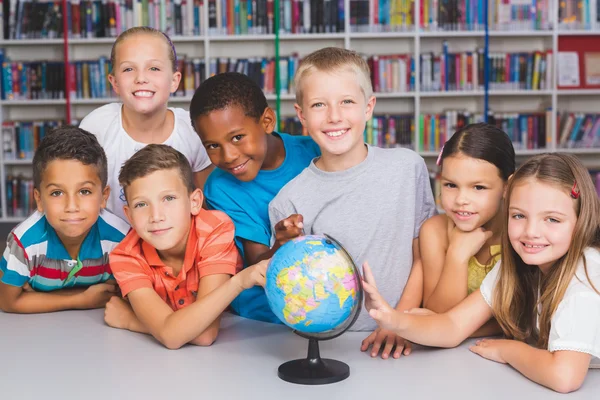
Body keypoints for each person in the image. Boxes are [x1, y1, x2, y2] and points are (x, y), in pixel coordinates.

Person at [363, 153, 600, 393]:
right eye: (518, 216)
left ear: (582, 222)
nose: (531, 232)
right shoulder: (518, 264)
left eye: (551, 219)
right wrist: (392, 319)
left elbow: (564, 377)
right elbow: (453, 325)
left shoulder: (587, 274)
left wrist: (507, 350)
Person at [268, 47, 436, 359]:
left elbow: (424, 254)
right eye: (319, 105)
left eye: (347, 101)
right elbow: (287, 288)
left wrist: (399, 320)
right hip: (328, 349)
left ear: (368, 106)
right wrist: (282, 246)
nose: (334, 116)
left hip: (405, 339)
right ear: (301, 114)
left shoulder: (407, 167)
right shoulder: (288, 201)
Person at [105, 144, 267, 349]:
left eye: (169, 198)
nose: (156, 217)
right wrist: (168, 330)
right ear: (128, 215)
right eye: (141, 204)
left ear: (195, 202)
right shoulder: (125, 256)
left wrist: (131, 321)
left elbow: (205, 334)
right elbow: (183, 335)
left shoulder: (214, 229)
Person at [189, 72, 320, 323]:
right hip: (263, 313)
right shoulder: (220, 187)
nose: (228, 156)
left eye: (237, 138)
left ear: (267, 121)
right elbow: (256, 261)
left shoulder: (314, 152)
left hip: (325, 294)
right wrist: (280, 244)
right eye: (212, 146)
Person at [80, 27, 213, 221]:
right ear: (114, 82)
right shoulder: (97, 126)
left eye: (154, 68)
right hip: (110, 246)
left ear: (175, 81)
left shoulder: (192, 130)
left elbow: (205, 208)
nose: (141, 78)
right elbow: (80, 193)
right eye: (128, 69)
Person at [0, 126, 130, 313]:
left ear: (103, 196)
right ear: (39, 199)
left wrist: (37, 297)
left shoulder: (121, 239)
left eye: (84, 191)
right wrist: (81, 299)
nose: (71, 206)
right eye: (57, 193)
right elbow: (8, 301)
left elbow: (128, 294)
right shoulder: (24, 243)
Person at [420, 123, 515, 336]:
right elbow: (436, 313)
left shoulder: (521, 233)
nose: (461, 200)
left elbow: (520, 319)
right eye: (451, 185)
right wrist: (457, 255)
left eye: (478, 187)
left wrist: (461, 327)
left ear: (507, 187)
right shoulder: (434, 231)